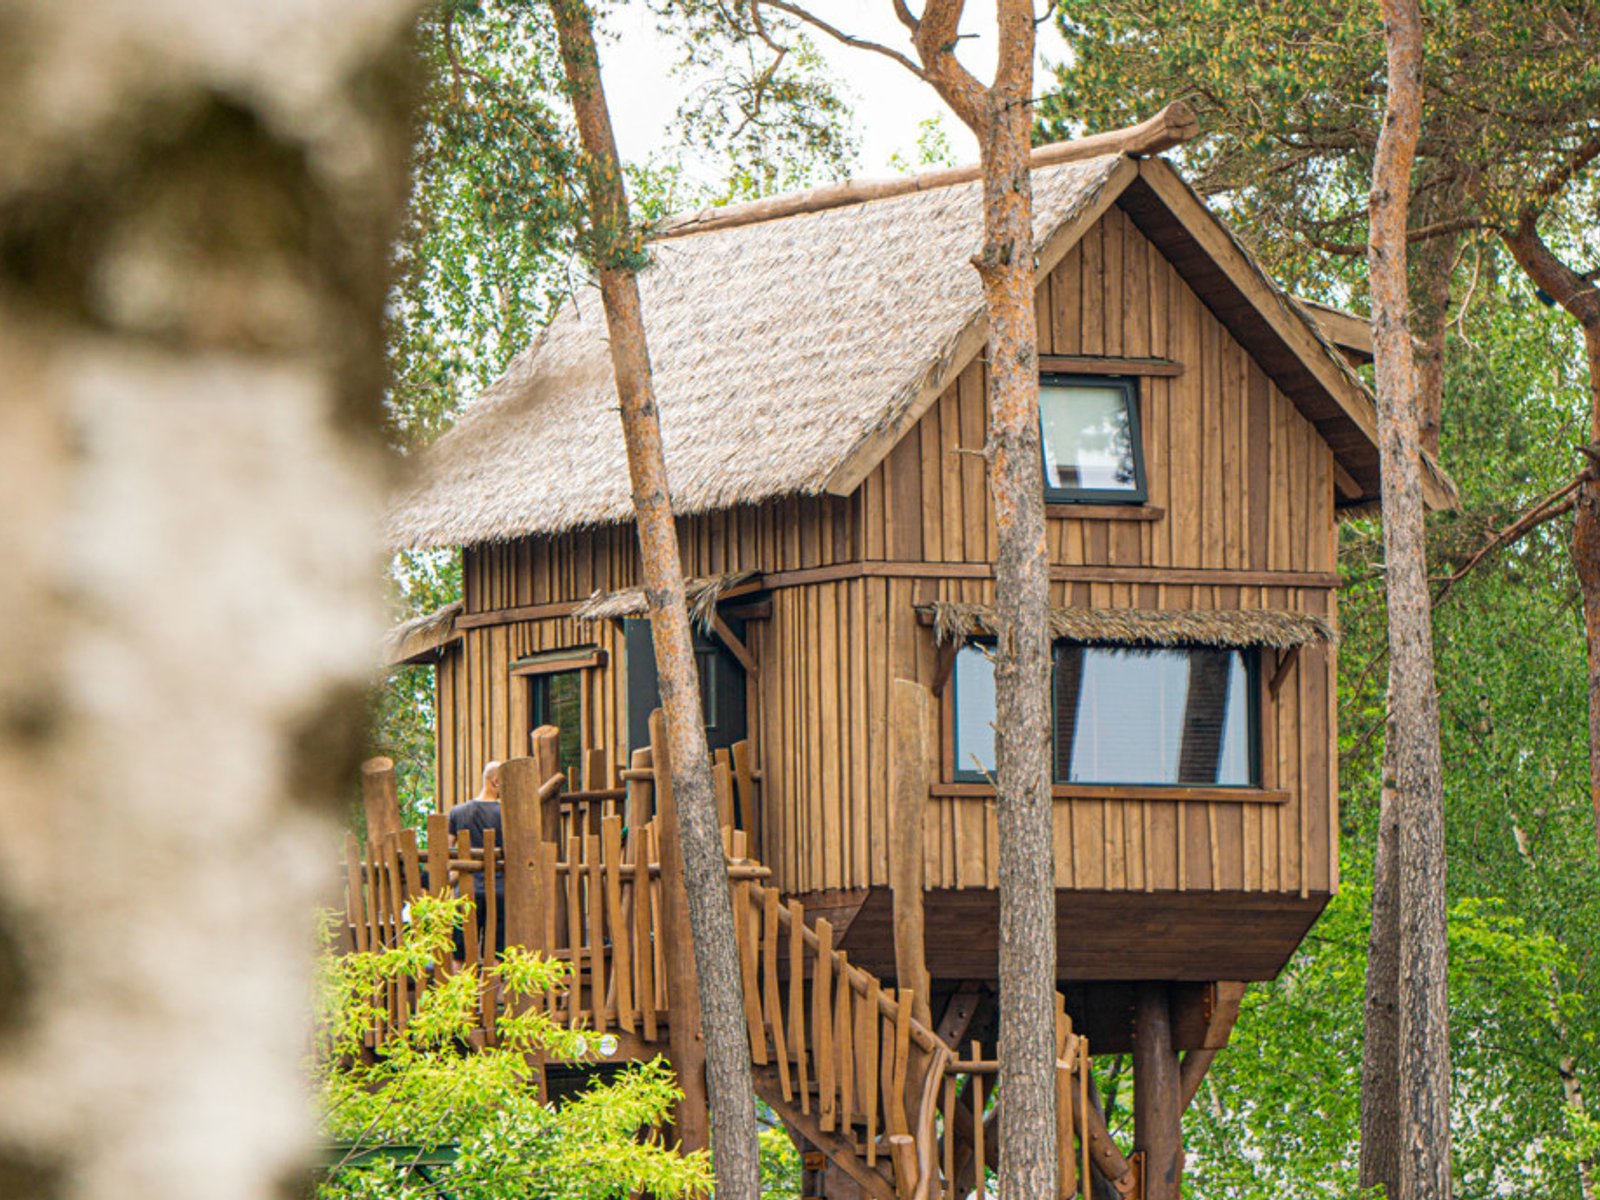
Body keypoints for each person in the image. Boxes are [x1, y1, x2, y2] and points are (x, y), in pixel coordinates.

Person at [447, 761, 505, 955]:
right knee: (496, 954)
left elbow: (446, 849)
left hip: (464, 891)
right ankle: (488, 987)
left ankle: (461, 987)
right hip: (499, 891)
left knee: (460, 953)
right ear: (496, 781)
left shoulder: (458, 812)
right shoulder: (505, 814)